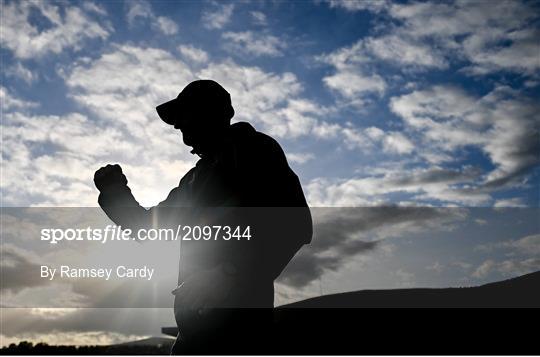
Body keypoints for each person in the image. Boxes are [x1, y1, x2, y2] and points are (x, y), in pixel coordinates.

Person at [94, 79, 312, 353]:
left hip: (240, 336)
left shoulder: (254, 150)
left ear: (211, 113)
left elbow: (294, 224)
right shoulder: (194, 181)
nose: (177, 127)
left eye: (183, 116)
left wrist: (229, 273)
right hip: (194, 336)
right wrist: (115, 193)